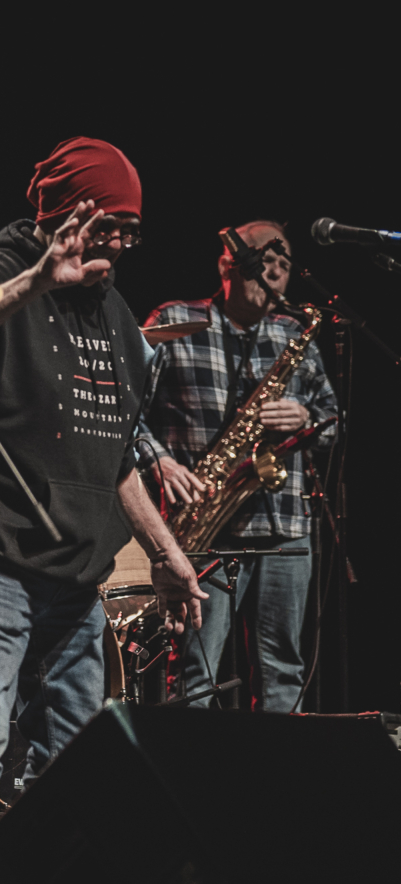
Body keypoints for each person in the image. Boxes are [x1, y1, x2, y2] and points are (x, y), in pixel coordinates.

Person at [0, 138, 205, 884]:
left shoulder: (113, 312)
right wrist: (35, 280)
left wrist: (168, 554)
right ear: (71, 215)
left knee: (79, 754)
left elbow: (115, 454)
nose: (120, 249)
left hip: (72, 567)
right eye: (110, 230)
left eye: (131, 234)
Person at [139, 221, 337, 711]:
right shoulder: (176, 320)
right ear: (229, 263)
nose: (274, 271)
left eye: (284, 264)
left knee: (282, 671)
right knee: (195, 674)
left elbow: (334, 422)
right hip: (204, 529)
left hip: (285, 526)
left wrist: (308, 417)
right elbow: (123, 413)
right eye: (263, 259)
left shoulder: (296, 335)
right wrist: (159, 460)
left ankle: (276, 782)